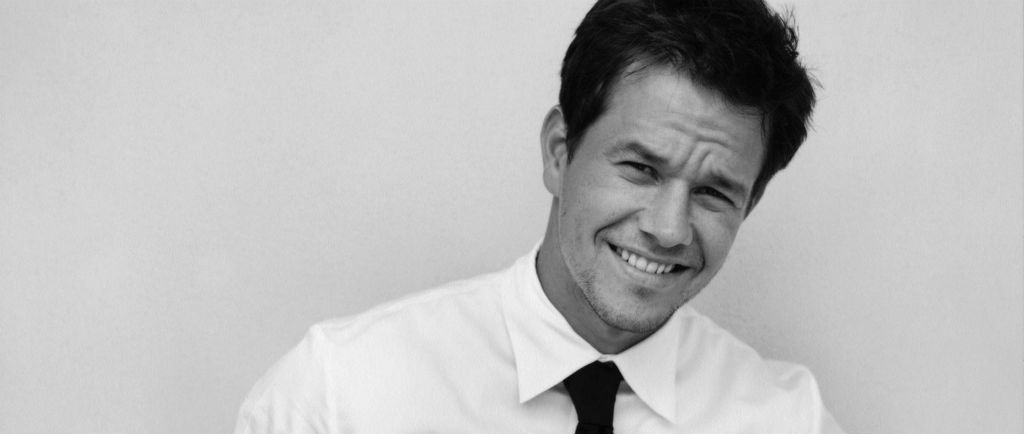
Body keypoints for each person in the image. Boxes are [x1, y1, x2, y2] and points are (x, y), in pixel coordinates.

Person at [236, 0, 843, 432]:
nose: (668, 228)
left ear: (749, 205)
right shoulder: (338, 397)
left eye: (713, 193)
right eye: (640, 168)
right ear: (559, 152)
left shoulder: (790, 421)